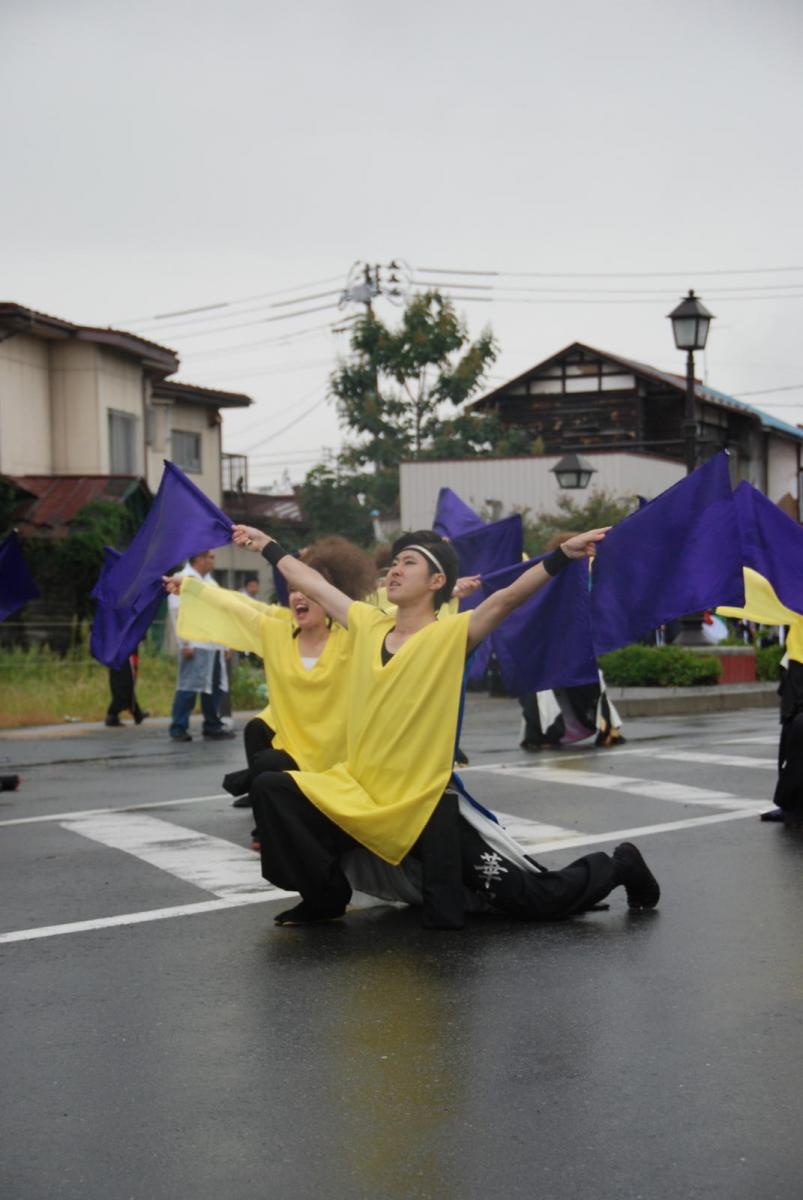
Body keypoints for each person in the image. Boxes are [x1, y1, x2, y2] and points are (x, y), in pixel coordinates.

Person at [232, 522, 660, 929]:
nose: (394, 570)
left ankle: (619, 865)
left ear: (437, 582)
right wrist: (267, 544)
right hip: (358, 796)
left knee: (535, 899)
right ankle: (325, 898)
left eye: (408, 563)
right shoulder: (366, 623)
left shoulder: (451, 635)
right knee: (271, 786)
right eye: (393, 563)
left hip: (422, 806)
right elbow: (311, 583)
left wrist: (562, 554)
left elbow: (507, 598)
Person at [165, 538, 377, 831]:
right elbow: (241, 608)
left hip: (343, 758)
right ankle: (264, 817)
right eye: (292, 590)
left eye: (308, 590)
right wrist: (192, 588)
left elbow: (386, 622)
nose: (298, 597)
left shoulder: (353, 638)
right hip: (295, 751)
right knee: (264, 759)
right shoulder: (276, 632)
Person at [167, 550, 234, 742]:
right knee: (188, 687)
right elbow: (176, 611)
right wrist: (184, 642)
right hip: (194, 643)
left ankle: (212, 725)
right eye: (210, 557)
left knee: (212, 688)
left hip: (213, 644)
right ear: (199, 559)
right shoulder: (183, 578)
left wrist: (225, 644)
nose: (213, 560)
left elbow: (219, 615)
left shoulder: (211, 582)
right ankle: (178, 727)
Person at [104, 649, 149, 727]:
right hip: (124, 653)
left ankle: (137, 714)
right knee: (125, 684)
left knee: (126, 684)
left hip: (120, 653)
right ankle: (112, 714)